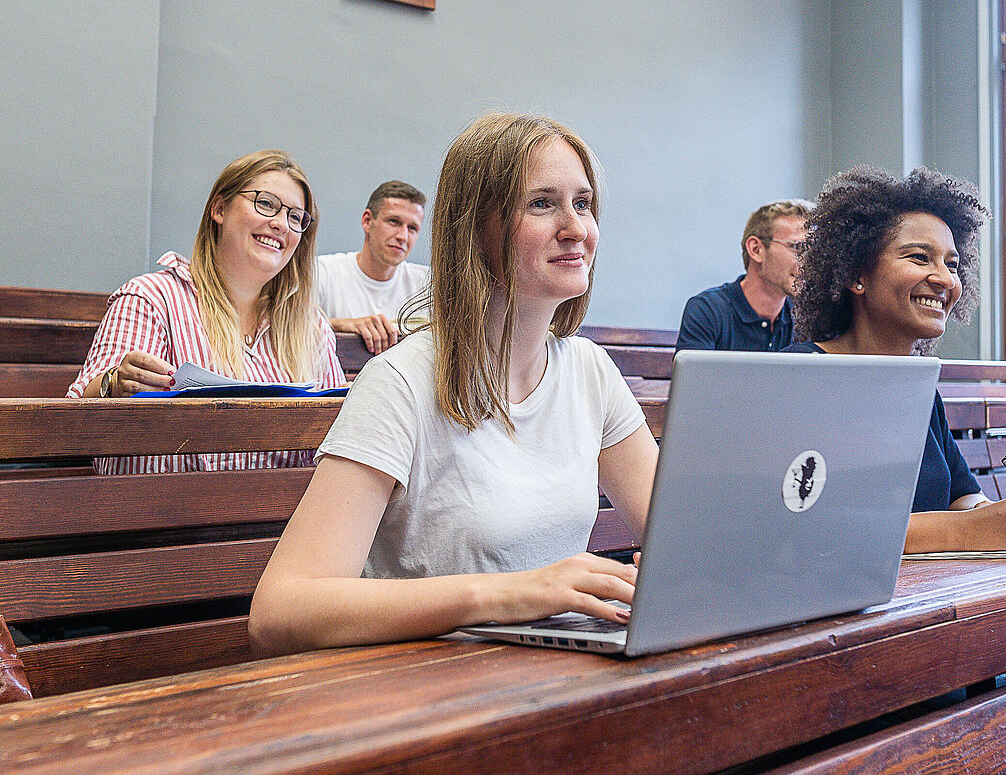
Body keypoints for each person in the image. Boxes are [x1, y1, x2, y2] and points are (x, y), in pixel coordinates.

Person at [249, 113, 659, 654]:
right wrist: (504, 594)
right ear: (473, 230)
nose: (576, 228)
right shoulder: (400, 382)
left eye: (583, 203)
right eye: (542, 203)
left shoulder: (590, 371)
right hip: (431, 680)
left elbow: (681, 538)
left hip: (556, 676)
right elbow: (280, 613)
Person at [786, 165, 1006, 553]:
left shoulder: (919, 389)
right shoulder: (801, 376)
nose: (944, 279)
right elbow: (813, 523)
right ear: (856, 276)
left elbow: (963, 497)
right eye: (920, 258)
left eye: (952, 265)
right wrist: (971, 529)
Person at [67, 150, 345, 473]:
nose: (281, 224)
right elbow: (74, 420)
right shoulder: (152, 298)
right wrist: (114, 385)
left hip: (283, 505)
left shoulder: (312, 326)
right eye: (266, 203)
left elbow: (343, 432)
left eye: (296, 217)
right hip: (161, 502)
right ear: (219, 209)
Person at [676, 199, 813, 352]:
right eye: (798, 247)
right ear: (755, 249)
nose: (809, 261)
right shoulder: (707, 311)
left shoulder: (806, 317)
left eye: (812, 250)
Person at [316, 180, 430, 354]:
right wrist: (339, 325)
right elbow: (288, 328)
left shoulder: (427, 285)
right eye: (394, 221)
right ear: (367, 221)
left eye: (412, 228)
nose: (403, 236)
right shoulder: (321, 273)